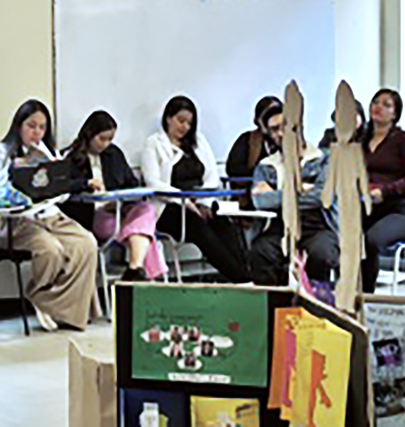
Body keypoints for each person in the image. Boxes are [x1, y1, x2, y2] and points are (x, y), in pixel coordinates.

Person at [0, 99, 100, 332]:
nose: (36, 133)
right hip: (17, 221)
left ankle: (54, 305)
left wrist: (58, 176)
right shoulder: (0, 153)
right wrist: (13, 170)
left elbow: (61, 196)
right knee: (50, 249)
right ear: (19, 126)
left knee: (86, 243)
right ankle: (43, 296)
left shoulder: (48, 152)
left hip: (49, 215)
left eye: (42, 127)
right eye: (31, 126)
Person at [142, 95, 252, 283]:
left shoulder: (198, 142)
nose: (185, 127)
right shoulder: (154, 144)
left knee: (224, 225)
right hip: (169, 207)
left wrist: (204, 203)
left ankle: (247, 274)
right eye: (181, 121)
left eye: (189, 123)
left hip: (200, 202)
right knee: (198, 227)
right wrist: (184, 201)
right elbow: (153, 182)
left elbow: (211, 177)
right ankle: (240, 279)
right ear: (168, 119)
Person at [60, 110, 167, 281]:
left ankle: (135, 267)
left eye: (110, 139)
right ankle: (139, 273)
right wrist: (86, 184)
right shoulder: (72, 157)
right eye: (102, 139)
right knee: (145, 233)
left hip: (120, 209)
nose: (105, 144)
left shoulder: (114, 154)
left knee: (147, 209)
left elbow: (131, 182)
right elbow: (63, 187)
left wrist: (126, 198)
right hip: (95, 216)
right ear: (89, 134)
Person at [250, 109, 339, 286]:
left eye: (285, 126)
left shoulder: (324, 159)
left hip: (317, 225)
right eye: (274, 129)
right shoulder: (266, 166)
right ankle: (274, 301)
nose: (280, 133)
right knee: (261, 252)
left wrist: (276, 194)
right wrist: (301, 190)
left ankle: (315, 301)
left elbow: (320, 197)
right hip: (279, 226)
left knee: (321, 253)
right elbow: (260, 201)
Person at [360, 89, 405, 293]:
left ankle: (367, 295)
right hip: (371, 207)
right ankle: (348, 292)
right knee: (346, 234)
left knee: (370, 240)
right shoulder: (362, 140)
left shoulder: (403, 140)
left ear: (395, 114)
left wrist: (385, 191)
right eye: (375, 102)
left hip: (404, 210)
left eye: (386, 105)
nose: (378, 107)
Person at [226, 96, 283, 191]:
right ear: (259, 120)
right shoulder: (247, 140)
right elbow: (234, 171)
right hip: (251, 192)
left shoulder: (289, 140)